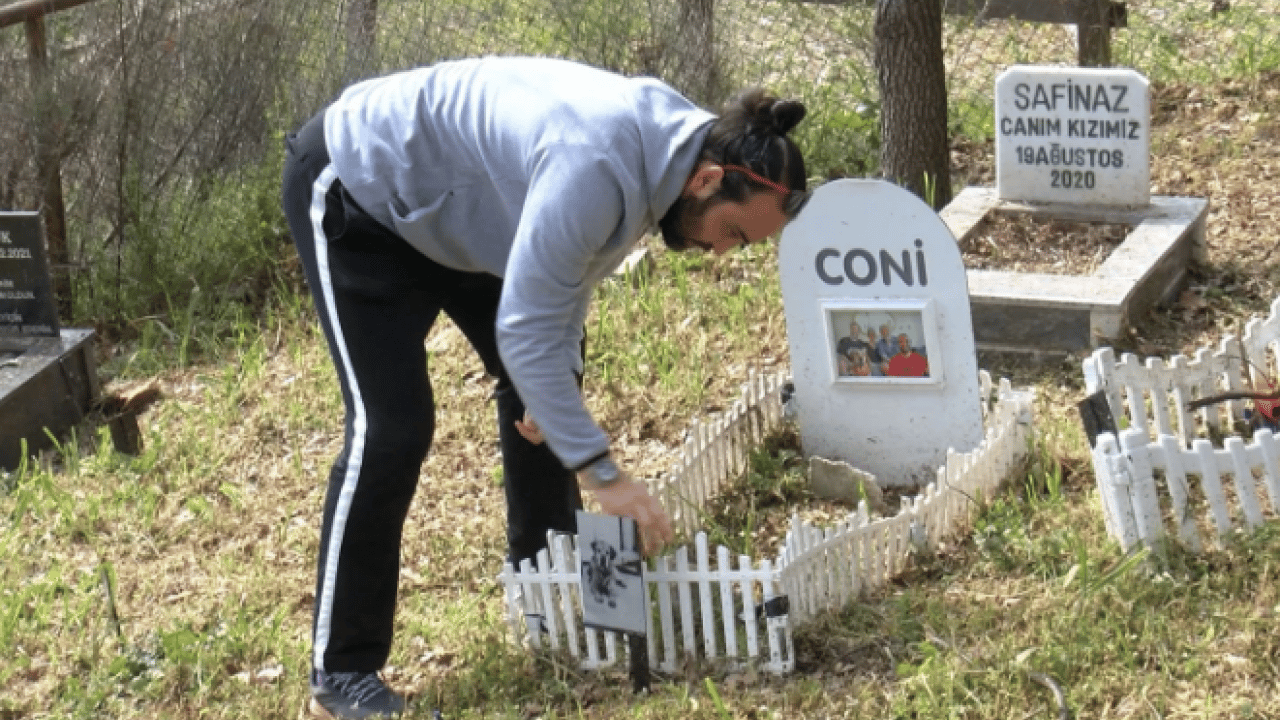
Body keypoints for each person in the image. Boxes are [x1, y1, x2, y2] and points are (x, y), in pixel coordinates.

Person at [280, 56, 809, 719]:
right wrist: (605, 476)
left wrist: (552, 385)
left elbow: (571, 271)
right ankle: (342, 676)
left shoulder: (673, 156)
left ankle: (548, 588)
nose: (725, 251)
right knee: (392, 427)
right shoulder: (600, 160)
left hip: (469, 214)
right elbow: (530, 325)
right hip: (363, 191)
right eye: (733, 232)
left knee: (550, 388)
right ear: (708, 181)